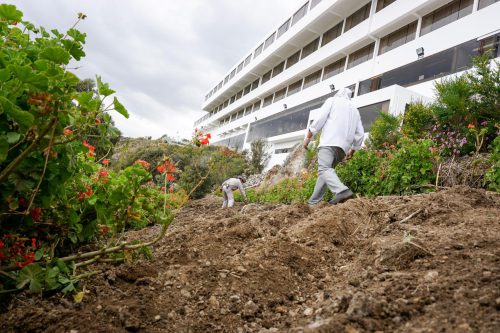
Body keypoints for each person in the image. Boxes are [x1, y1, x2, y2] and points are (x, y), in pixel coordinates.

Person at [303, 87, 365, 205]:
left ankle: (342, 191)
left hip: (329, 142)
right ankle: (313, 203)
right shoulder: (354, 110)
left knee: (324, 169)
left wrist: (308, 139)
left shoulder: (332, 101)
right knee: (325, 173)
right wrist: (352, 150)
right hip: (342, 149)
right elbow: (360, 134)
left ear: (338, 94)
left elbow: (319, 119)